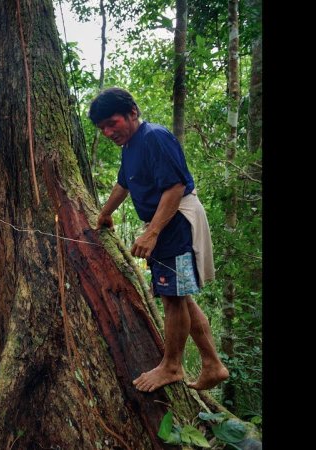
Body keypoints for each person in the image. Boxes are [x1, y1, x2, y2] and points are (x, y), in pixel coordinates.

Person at [90, 87, 228, 392]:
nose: (109, 132)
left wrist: (151, 232)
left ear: (132, 113)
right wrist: (104, 213)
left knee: (174, 298)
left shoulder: (154, 137)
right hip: (165, 224)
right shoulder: (130, 147)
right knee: (179, 295)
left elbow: (175, 188)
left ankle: (172, 367)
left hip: (175, 222)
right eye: (103, 128)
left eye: (113, 123)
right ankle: (212, 365)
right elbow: (123, 184)